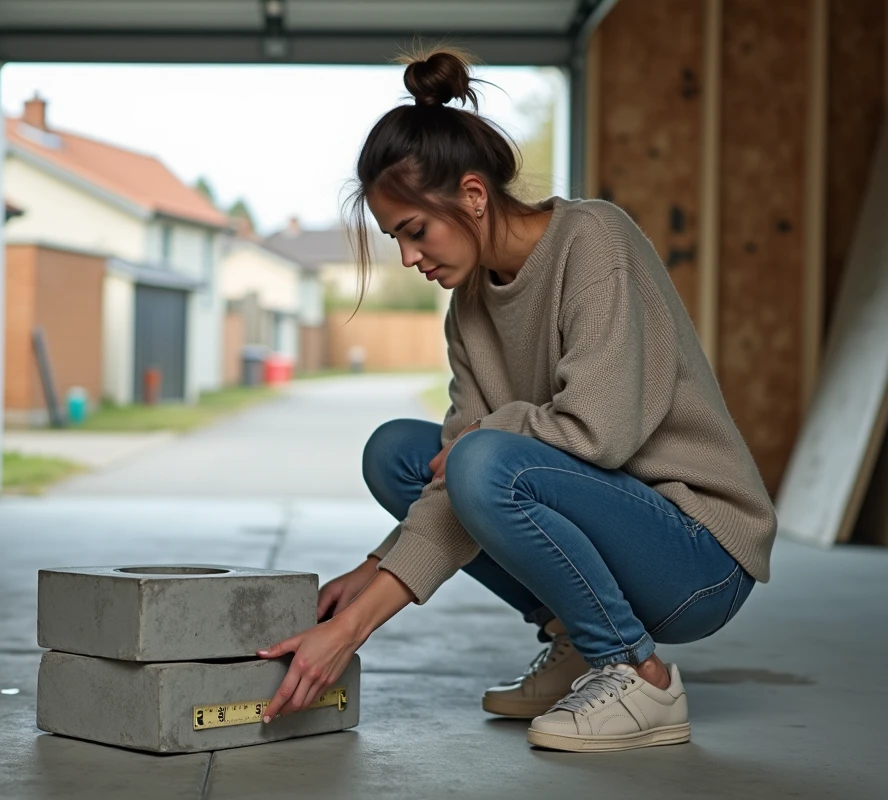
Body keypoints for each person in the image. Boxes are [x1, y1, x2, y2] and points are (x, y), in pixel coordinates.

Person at [257, 48, 777, 753]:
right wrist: (376, 573)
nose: (409, 258)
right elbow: (449, 484)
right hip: (613, 524)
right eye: (395, 239)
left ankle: (636, 672)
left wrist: (349, 633)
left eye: (415, 231)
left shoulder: (594, 242)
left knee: (477, 458)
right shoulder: (467, 311)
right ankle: (576, 639)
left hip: (698, 553)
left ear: (473, 196)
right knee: (401, 456)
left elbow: (597, 436)